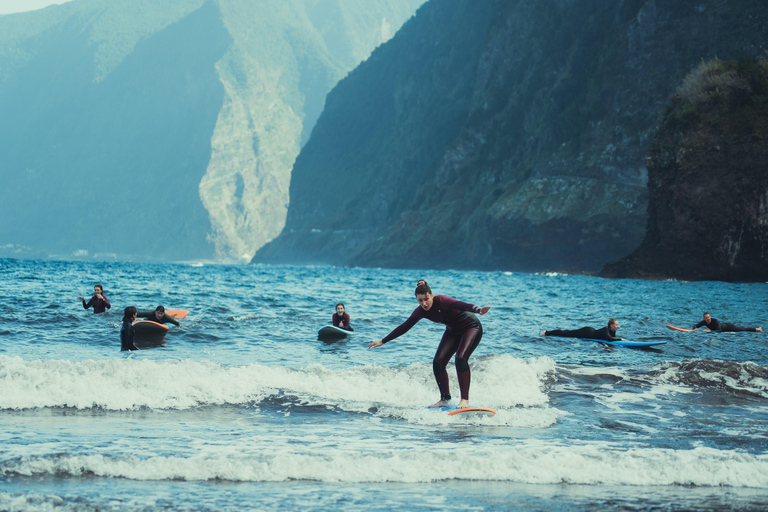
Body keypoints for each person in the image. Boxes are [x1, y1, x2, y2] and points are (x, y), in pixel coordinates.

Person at [368, 281, 491, 409]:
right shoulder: (420, 311)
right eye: (420, 300)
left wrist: (478, 310)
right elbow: (405, 327)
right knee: (438, 362)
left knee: (460, 358)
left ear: (432, 295)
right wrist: (383, 341)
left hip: (471, 327)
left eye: (426, 299)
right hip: (452, 331)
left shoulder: (442, 300)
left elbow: (462, 305)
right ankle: (445, 399)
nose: (424, 304)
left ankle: (465, 400)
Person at [541, 318, 624, 341]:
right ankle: (546, 332)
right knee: (566, 334)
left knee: (568, 332)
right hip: (586, 332)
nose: (618, 326)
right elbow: (609, 339)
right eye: (616, 325)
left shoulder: (612, 331)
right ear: (611, 325)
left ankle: (549, 332)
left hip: (590, 332)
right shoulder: (605, 329)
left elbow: (612, 338)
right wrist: (621, 339)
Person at [693, 312, 762, 333]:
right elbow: (695, 325)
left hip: (728, 327)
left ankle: (757, 329)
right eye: (706, 318)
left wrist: (710, 331)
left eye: (708, 317)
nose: (708, 319)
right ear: (704, 319)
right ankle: (757, 329)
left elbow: (719, 330)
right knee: (741, 329)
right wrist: (695, 328)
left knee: (742, 329)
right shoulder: (704, 322)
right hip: (724, 329)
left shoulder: (715, 321)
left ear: (710, 317)